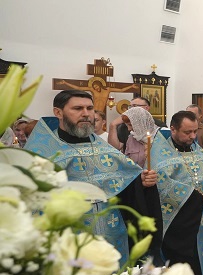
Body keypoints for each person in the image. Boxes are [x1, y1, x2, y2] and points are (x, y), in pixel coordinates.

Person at [25, 90, 162, 264]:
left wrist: (142, 182)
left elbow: (126, 185)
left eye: (90, 108)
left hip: (112, 236)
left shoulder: (104, 150)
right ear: (58, 112)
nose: (86, 114)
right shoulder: (43, 154)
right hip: (70, 241)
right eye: (78, 108)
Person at [152, 110, 203, 275]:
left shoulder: (196, 149)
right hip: (180, 225)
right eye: (187, 132)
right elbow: (161, 185)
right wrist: (191, 196)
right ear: (173, 129)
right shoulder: (160, 153)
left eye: (195, 132)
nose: (193, 137)